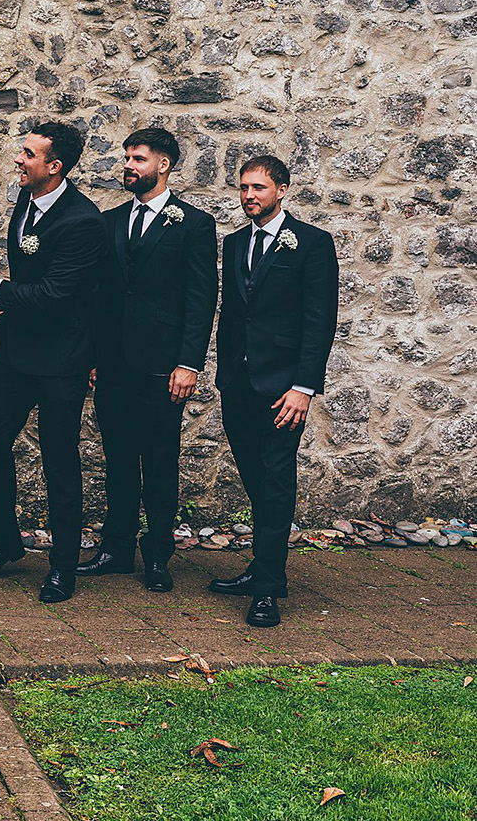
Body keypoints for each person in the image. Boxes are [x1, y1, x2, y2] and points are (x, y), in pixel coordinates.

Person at [0, 122, 104, 604]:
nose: (18, 160)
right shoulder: (26, 199)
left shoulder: (82, 221)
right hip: (14, 350)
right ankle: (4, 543)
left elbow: (54, 297)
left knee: (59, 459)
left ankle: (63, 565)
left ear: (55, 166)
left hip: (60, 358)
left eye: (28, 154)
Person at [80, 128, 217, 593]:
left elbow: (201, 300)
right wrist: (96, 358)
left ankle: (157, 554)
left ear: (163, 164)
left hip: (164, 367)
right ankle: (116, 549)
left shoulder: (194, 224)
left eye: (138, 158)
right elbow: (99, 297)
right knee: (117, 459)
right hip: (114, 365)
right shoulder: (111, 221)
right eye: (127, 157)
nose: (128, 165)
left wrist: (188, 363)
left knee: (160, 461)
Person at [211, 155, 338, 628]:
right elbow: (236, 312)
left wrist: (303, 387)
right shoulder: (235, 241)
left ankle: (267, 589)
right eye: (244, 188)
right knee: (255, 478)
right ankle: (264, 565)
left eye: (258, 188)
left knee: (277, 478)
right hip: (239, 383)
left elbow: (318, 320)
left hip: (285, 387)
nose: (249, 196)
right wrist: (224, 373)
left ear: (282, 189)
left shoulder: (311, 243)